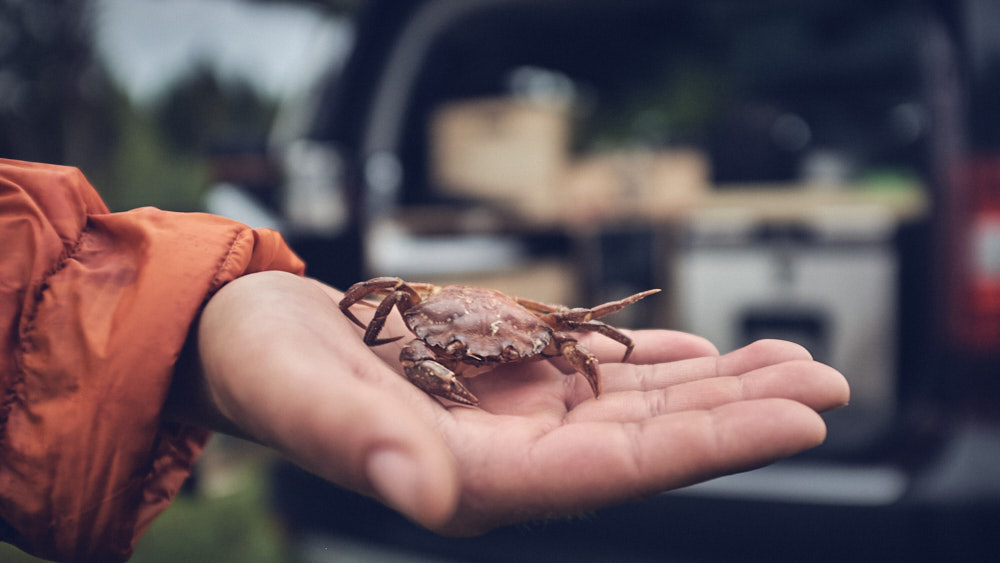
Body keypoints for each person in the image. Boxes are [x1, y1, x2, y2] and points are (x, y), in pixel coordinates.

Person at [0, 158, 850, 562]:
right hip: (436, 306)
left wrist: (574, 352)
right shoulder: (413, 307)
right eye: (466, 356)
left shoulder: (537, 328)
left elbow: (587, 333)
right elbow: (394, 319)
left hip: (505, 310)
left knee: (590, 327)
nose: (485, 360)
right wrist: (304, 311)